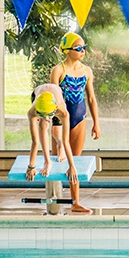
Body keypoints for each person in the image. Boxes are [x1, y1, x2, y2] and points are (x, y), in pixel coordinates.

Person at [27, 84, 91, 214]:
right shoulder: (32, 111)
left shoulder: (62, 111)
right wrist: (31, 166)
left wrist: (72, 166)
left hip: (57, 96)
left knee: (59, 136)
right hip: (39, 95)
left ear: (54, 110)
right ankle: (47, 161)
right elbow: (35, 141)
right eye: (42, 115)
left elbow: (68, 141)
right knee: (43, 127)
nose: (46, 118)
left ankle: (59, 145)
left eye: (49, 116)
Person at [49, 32, 100, 164]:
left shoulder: (87, 71)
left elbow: (91, 99)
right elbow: (53, 100)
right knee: (57, 161)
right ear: (67, 51)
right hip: (60, 120)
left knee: (75, 162)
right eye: (78, 48)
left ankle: (74, 186)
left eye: (84, 47)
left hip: (79, 119)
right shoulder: (58, 70)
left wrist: (96, 123)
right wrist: (53, 121)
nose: (82, 50)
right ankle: (55, 186)